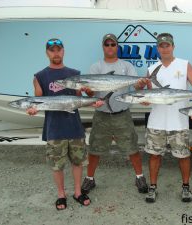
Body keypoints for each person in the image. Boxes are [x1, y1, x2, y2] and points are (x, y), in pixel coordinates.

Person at [27, 38, 93, 210]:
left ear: (64, 51)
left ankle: (78, 192)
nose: (55, 53)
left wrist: (90, 96)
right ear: (47, 53)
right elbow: (39, 100)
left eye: (58, 49)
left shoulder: (74, 73)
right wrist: (34, 108)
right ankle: (61, 194)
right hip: (54, 128)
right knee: (57, 165)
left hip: (74, 126)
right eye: (52, 50)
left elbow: (79, 98)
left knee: (77, 162)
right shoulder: (40, 76)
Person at [81, 33, 148, 194]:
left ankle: (140, 177)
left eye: (113, 44)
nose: (110, 47)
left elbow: (136, 88)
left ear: (117, 47)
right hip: (101, 115)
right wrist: (88, 91)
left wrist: (141, 84)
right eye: (107, 44)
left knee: (132, 147)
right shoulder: (95, 67)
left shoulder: (127, 66)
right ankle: (90, 178)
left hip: (122, 114)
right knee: (95, 148)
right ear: (103, 47)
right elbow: (91, 94)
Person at [142, 33, 192, 203]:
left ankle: (186, 187)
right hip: (156, 121)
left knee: (183, 156)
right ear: (158, 48)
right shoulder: (151, 69)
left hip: (179, 120)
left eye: (167, 45)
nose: (165, 48)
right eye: (161, 46)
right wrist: (144, 100)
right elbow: (148, 98)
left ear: (173, 47)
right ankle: (153, 187)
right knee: (154, 155)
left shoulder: (184, 65)